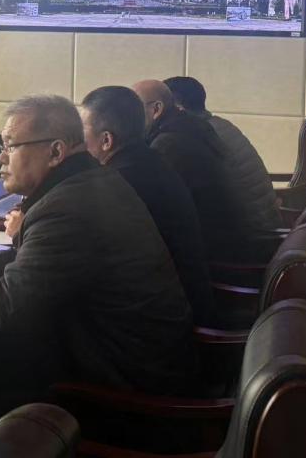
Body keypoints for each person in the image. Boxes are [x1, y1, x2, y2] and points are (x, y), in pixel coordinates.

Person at [0, 95, 196, 395]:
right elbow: (61, 260)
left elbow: (10, 308)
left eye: (10, 146)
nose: (1, 158)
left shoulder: (65, 208)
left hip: (128, 388)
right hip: (145, 361)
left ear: (56, 151)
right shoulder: (95, 180)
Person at [80, 86, 216, 324]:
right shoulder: (148, 160)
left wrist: (23, 230)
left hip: (164, 317)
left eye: (81, 132)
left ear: (106, 140)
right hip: (180, 298)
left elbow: (81, 251)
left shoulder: (120, 182)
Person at [132, 80, 279, 262]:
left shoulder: (175, 142)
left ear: (159, 108)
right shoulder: (208, 127)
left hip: (242, 244)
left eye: (135, 109)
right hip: (257, 229)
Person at [164, 76, 281, 236]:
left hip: (252, 232)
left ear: (178, 107)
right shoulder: (219, 124)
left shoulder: (198, 135)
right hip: (266, 220)